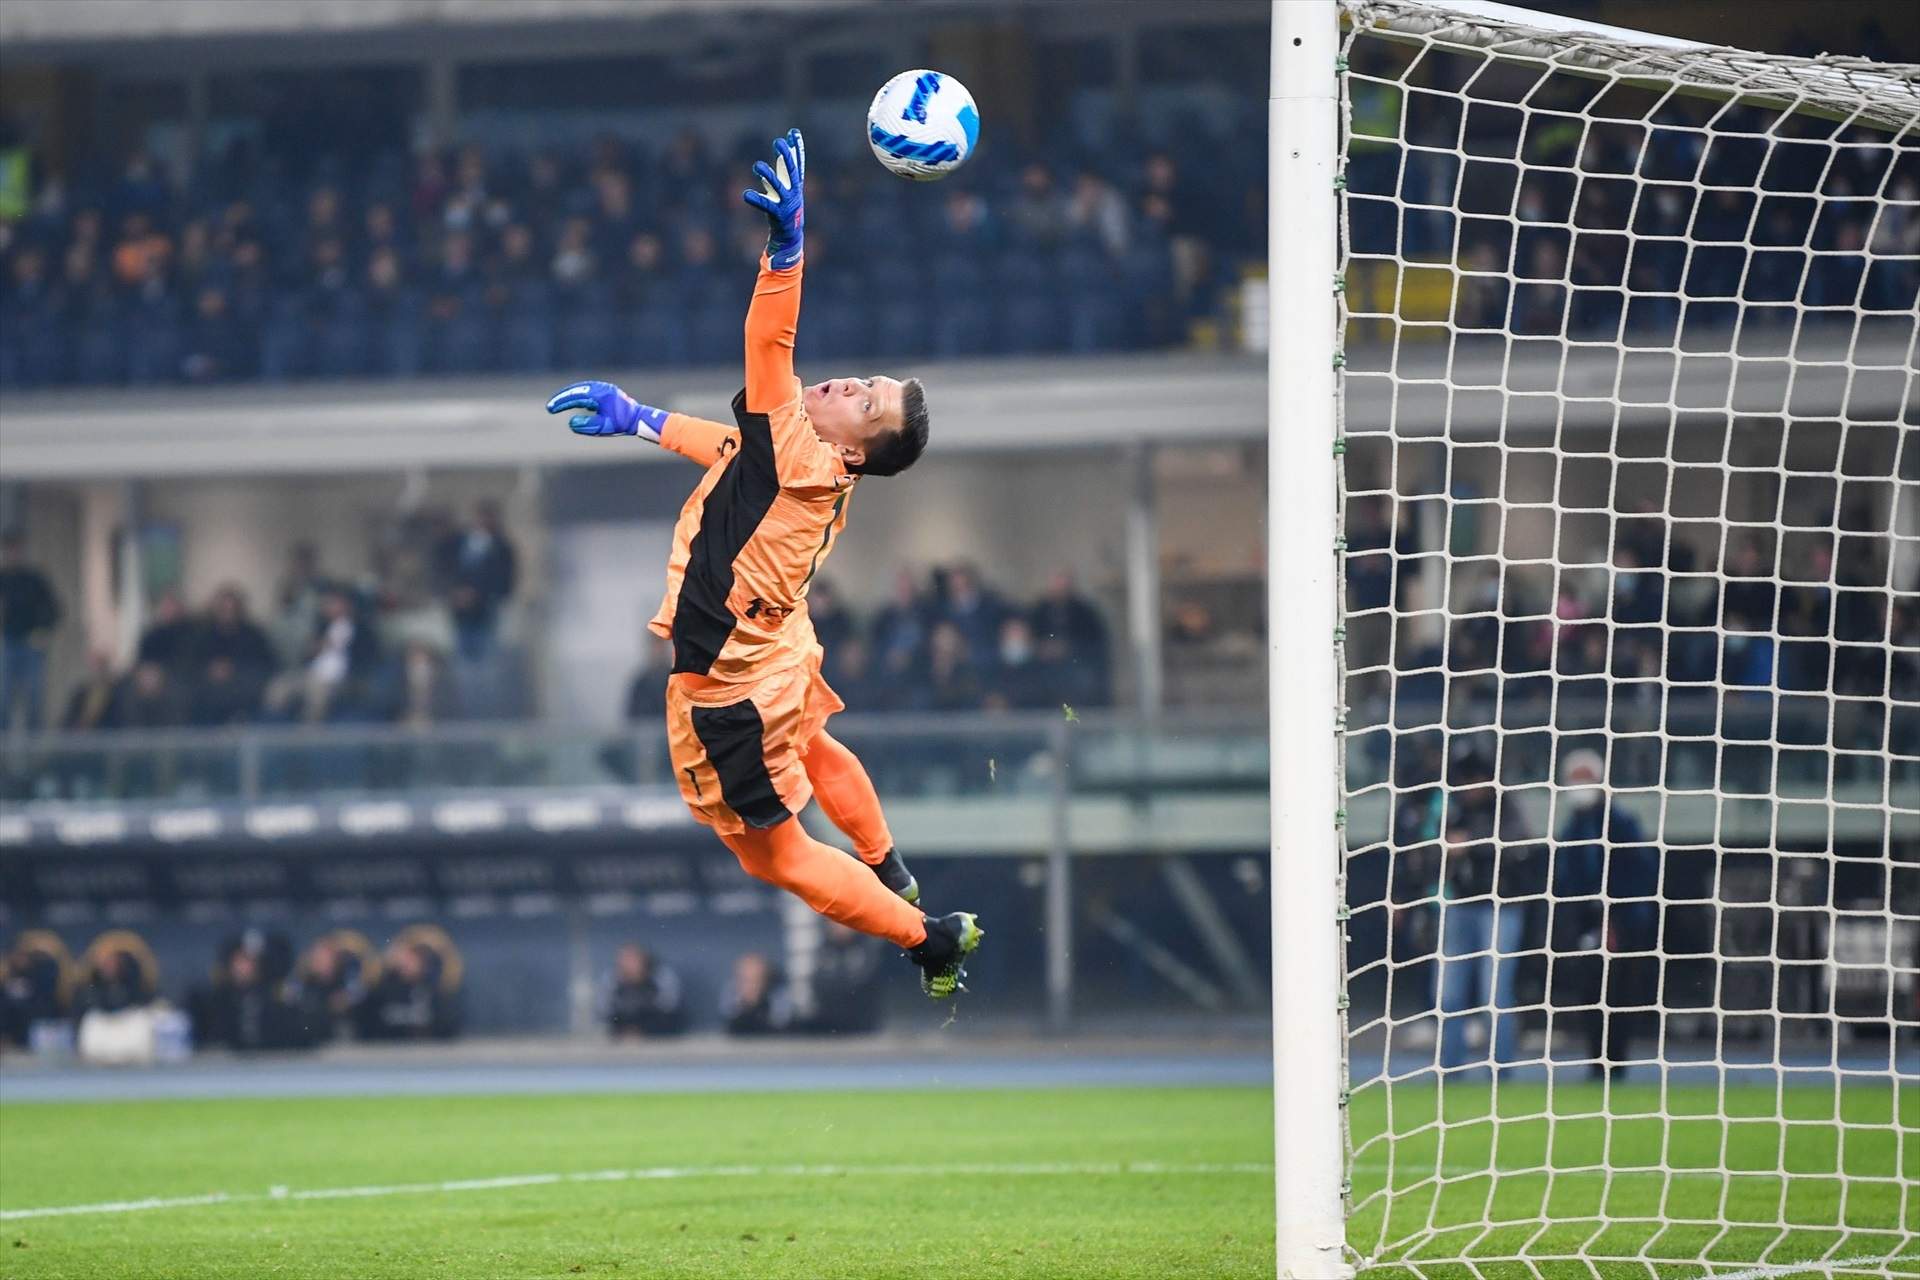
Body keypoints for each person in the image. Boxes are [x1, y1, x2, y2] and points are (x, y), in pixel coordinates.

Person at [544, 130, 982, 1000]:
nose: (849, 386)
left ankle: (926, 938)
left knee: (777, 855)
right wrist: (637, 416)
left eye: (867, 401)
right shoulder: (802, 462)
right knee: (816, 742)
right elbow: (730, 452)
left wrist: (786, 251)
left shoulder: (801, 446)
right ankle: (891, 869)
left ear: (859, 451)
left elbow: (769, 346)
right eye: (866, 378)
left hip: (729, 688)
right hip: (775, 650)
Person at [1550, 748, 1663, 1081]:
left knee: (1621, 992)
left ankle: (1617, 1061)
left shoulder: (1622, 822)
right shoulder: (1572, 827)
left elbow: (1641, 871)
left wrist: (1615, 910)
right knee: (1589, 992)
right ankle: (1596, 1062)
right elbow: (1567, 879)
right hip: (1586, 923)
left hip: (1625, 921)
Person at [0, 530, 61, 731]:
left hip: (31, 644)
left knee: (34, 698)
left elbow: (54, 608)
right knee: (4, 698)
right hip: (7, 642)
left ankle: (34, 751)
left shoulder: (34, 580)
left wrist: (44, 631)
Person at [604, 943, 687, 1039]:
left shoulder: (661, 977)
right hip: (624, 1031)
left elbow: (669, 1009)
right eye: (625, 960)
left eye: (633, 960)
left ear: (644, 961)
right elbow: (606, 1012)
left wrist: (643, 1029)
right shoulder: (612, 980)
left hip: (660, 1030)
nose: (629, 965)